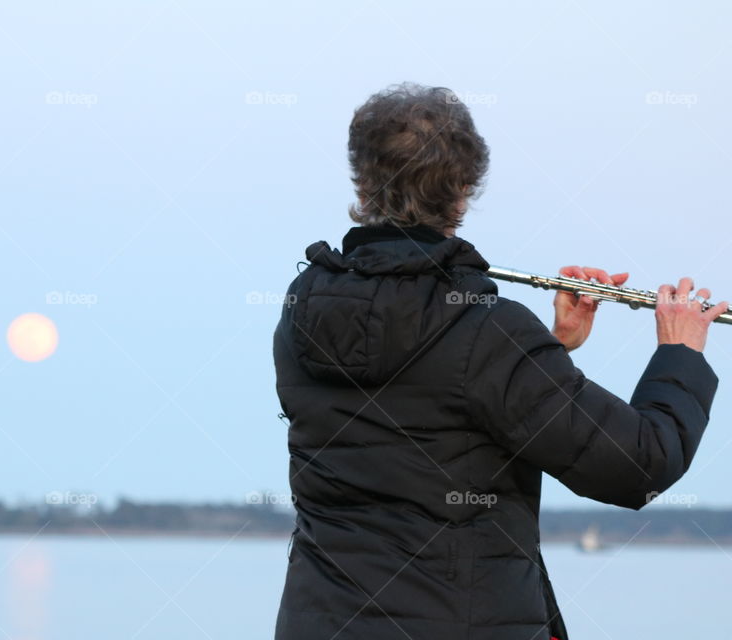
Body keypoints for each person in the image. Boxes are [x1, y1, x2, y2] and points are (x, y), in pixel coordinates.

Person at [272, 82, 726, 640]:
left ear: (363, 179)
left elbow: (427, 411)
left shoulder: (304, 310)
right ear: (464, 189)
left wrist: (549, 352)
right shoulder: (488, 331)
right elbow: (642, 466)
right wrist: (679, 353)